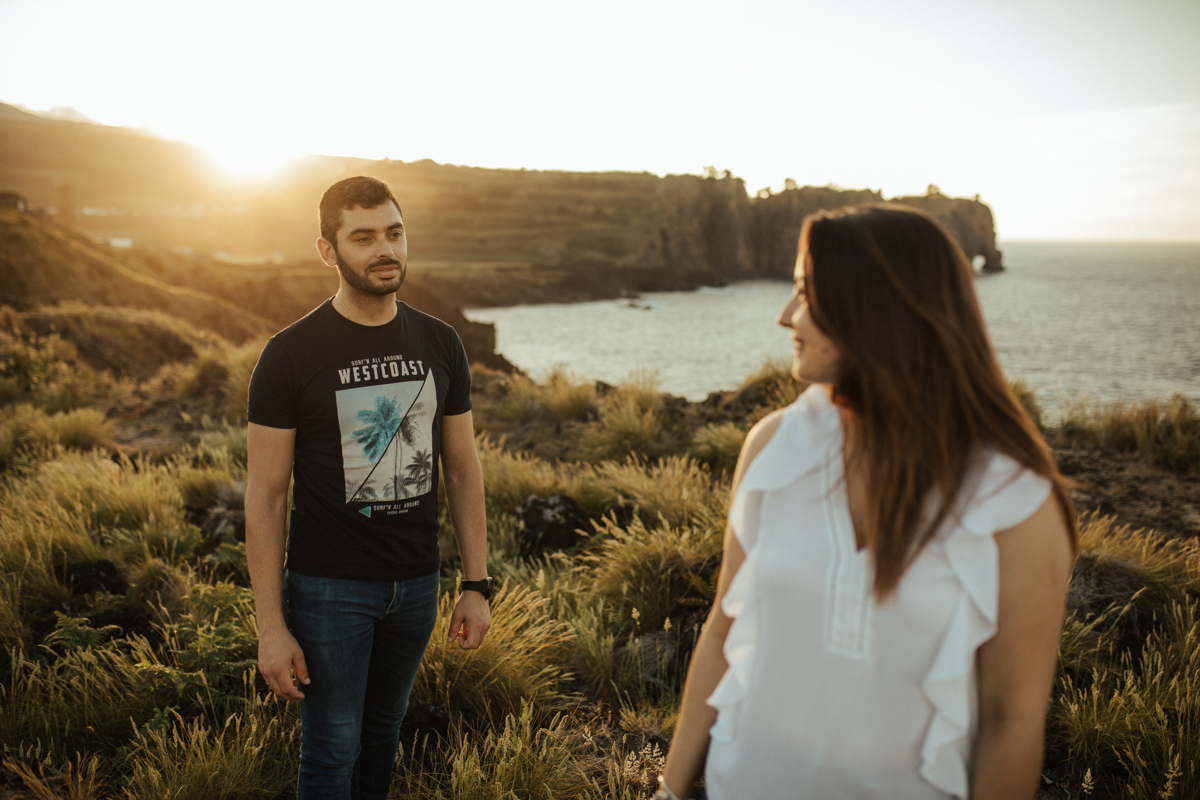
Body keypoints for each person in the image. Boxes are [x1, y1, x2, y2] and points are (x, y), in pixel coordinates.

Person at [657, 205, 1076, 800]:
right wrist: (669, 790)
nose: (785, 316)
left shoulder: (1013, 499)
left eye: (805, 292)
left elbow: (1012, 717)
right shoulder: (773, 446)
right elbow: (724, 627)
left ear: (874, 307)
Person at [245, 176, 492, 800]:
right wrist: (271, 627)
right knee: (331, 749)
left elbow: (461, 469)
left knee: (383, 733)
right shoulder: (289, 355)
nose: (386, 250)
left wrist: (475, 584)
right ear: (329, 251)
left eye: (394, 232)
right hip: (329, 589)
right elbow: (266, 496)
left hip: (416, 584)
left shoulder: (440, 342)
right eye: (363, 237)